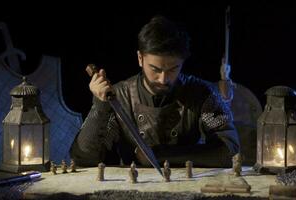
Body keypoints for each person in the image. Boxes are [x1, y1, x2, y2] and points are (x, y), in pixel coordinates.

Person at [70, 15, 240, 168]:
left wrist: (160, 155)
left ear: (182, 62)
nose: (163, 79)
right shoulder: (119, 96)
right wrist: (100, 104)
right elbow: (85, 159)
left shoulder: (202, 93)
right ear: (140, 58)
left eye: (173, 69)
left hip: (186, 183)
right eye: (155, 69)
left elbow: (228, 150)